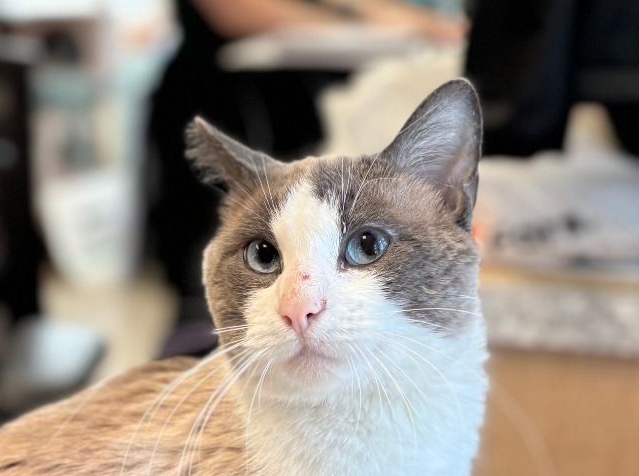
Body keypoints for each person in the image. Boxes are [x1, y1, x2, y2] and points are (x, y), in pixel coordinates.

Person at [146, 0, 467, 333]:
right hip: (222, 97)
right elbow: (233, 10)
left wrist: (409, 22)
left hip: (297, 100)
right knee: (202, 286)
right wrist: (354, 27)